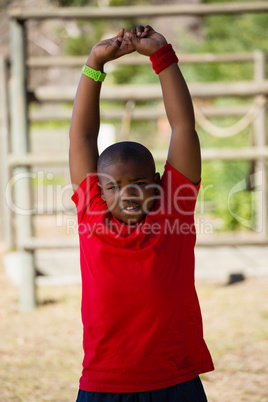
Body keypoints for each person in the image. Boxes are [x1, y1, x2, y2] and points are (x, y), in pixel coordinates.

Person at [70, 25, 214, 402]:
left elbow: (184, 127)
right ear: (98, 190)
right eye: (113, 186)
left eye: (138, 182)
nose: (127, 193)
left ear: (156, 182)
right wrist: (94, 64)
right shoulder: (91, 216)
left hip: (174, 379)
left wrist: (162, 56)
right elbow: (82, 138)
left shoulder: (174, 211)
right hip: (104, 383)